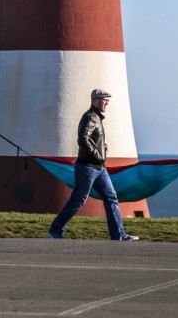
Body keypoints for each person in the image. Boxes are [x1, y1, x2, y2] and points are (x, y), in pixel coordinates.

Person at [47, 89, 138, 242]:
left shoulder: (96, 117)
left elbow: (91, 139)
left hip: (99, 168)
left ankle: (119, 235)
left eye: (107, 100)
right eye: (104, 100)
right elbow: (83, 138)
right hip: (88, 167)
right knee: (79, 200)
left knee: (111, 198)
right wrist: (97, 154)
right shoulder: (91, 117)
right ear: (95, 100)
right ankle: (55, 229)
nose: (107, 103)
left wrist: (102, 146)